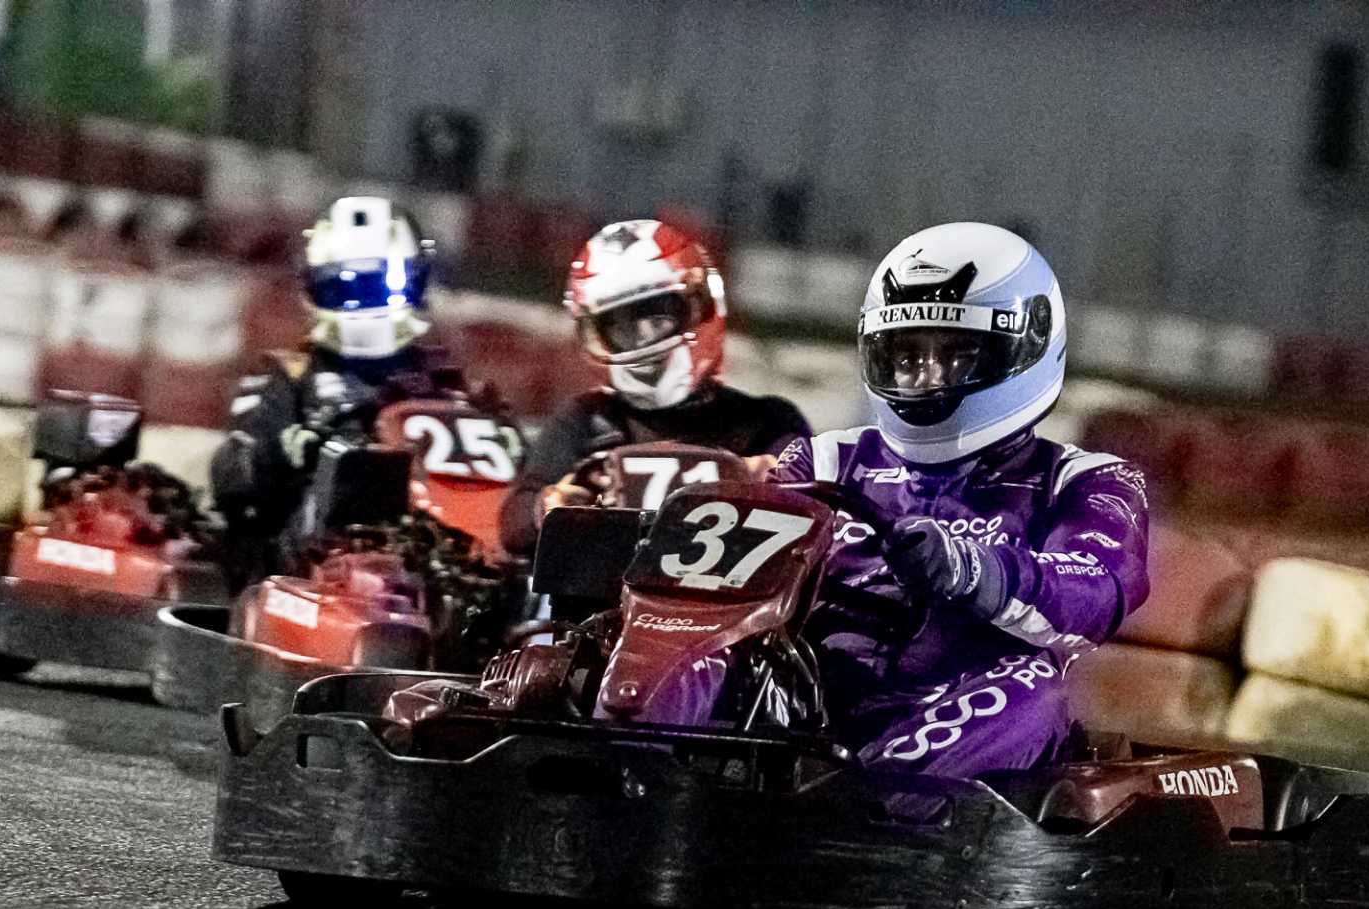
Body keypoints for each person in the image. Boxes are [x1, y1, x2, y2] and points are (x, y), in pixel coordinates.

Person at [771, 221, 1150, 785]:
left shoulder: (1084, 482)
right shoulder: (821, 461)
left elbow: (1096, 592)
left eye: (955, 356)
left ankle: (856, 806)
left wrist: (970, 569)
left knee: (1036, 689)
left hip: (960, 706)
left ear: (1023, 348)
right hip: (805, 704)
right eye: (906, 357)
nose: (926, 378)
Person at [209, 195, 510, 578]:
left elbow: (509, 470)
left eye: (382, 286)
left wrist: (501, 431)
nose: (366, 303)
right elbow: (236, 485)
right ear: (315, 288)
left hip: (439, 553)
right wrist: (290, 451)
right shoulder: (287, 377)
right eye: (346, 288)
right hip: (314, 559)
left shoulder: (448, 385)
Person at [498, 219, 810, 556]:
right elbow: (514, 525)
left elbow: (820, 509)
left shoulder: (765, 422)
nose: (643, 338)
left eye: (657, 318)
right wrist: (551, 505)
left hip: (734, 587)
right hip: (607, 586)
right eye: (623, 327)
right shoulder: (587, 422)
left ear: (701, 306)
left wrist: (772, 481)